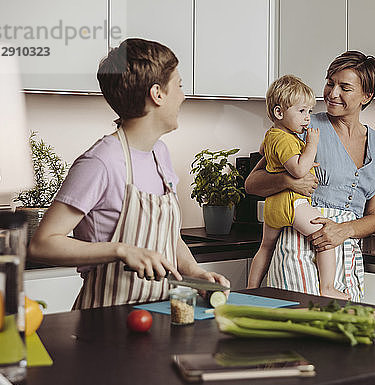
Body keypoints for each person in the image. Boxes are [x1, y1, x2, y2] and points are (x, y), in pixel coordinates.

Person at [27, 38, 229, 309]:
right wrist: (120, 249)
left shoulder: (160, 153)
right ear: (157, 94)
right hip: (104, 320)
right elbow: (42, 244)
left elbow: (169, 236)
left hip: (157, 316)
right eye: (178, 85)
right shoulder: (100, 162)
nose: (183, 95)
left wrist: (195, 273)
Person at [245, 51, 375, 301]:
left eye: (344, 87)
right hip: (299, 246)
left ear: (366, 96)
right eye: (329, 83)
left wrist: (343, 230)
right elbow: (252, 184)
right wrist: (287, 180)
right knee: (298, 331)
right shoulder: (302, 126)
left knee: (343, 333)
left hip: (346, 253)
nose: (332, 93)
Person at [247, 75, 348, 300]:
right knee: (324, 235)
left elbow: (265, 154)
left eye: (309, 112)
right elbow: (299, 171)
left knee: (265, 248)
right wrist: (311, 145)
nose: (307, 119)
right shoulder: (286, 139)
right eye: (302, 112)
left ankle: (251, 289)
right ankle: (328, 287)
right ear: (279, 113)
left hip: (272, 206)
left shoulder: (273, 135)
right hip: (292, 203)